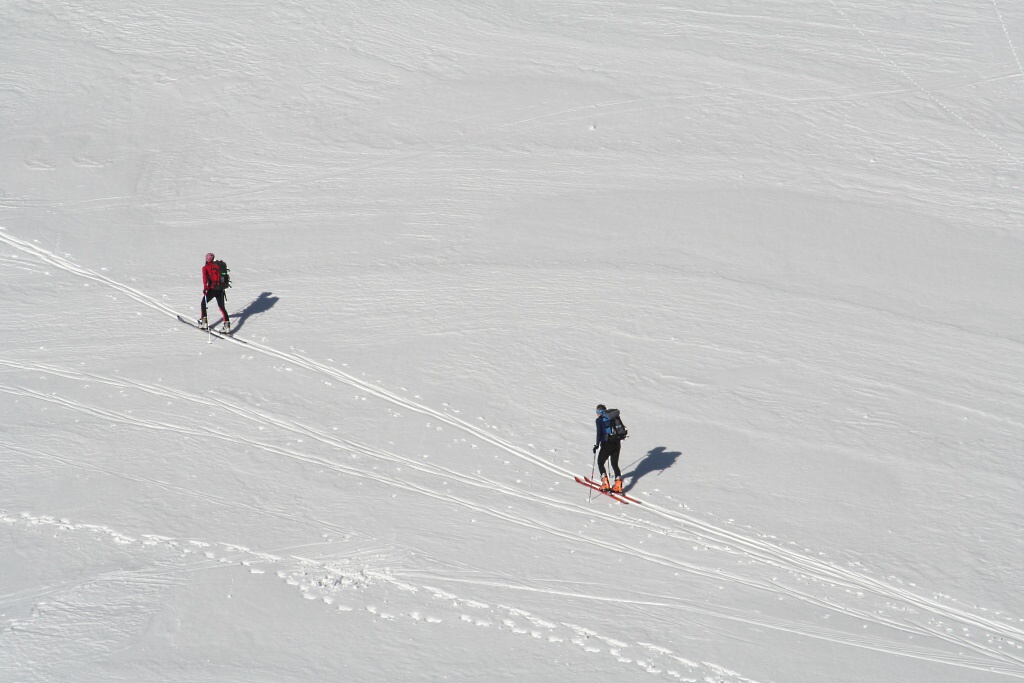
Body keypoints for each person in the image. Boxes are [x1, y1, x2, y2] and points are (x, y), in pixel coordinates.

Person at [593, 404, 624, 493]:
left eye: (597, 412)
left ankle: (605, 484)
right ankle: (618, 485)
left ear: (600, 412)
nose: (596, 414)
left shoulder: (599, 420)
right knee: (614, 464)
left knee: (600, 462)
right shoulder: (613, 418)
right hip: (617, 442)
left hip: (607, 444)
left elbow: (599, 433)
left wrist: (596, 444)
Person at [198, 252, 230, 332]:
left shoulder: (205, 268)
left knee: (203, 303)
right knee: (222, 307)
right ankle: (227, 326)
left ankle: (204, 322)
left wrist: (205, 288)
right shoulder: (218, 266)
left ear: (207, 259)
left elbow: (205, 279)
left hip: (212, 289)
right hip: (220, 289)